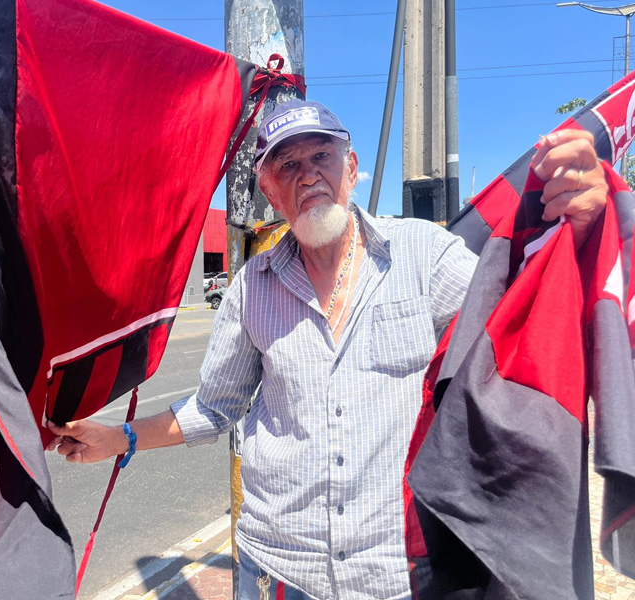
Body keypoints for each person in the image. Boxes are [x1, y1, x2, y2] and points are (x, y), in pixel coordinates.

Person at [47, 99, 608, 600]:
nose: (308, 174)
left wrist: (582, 229)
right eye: (287, 165)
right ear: (270, 192)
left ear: (352, 168)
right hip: (280, 569)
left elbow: (526, 316)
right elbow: (215, 408)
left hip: (394, 572)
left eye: (322, 156)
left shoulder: (423, 256)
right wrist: (118, 438)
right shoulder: (252, 288)